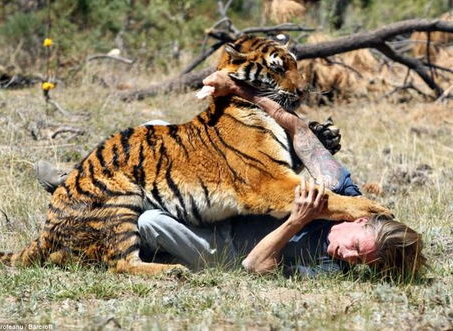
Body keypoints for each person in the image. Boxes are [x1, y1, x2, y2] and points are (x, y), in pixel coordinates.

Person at [34, 72, 426, 278]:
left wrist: (298, 220)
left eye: (361, 263)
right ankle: (80, 183)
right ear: (363, 220)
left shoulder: (329, 268)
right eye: (359, 247)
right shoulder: (347, 193)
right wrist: (242, 91)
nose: (349, 256)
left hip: (223, 247)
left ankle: (103, 216)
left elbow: (255, 268)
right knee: (155, 127)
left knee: (151, 221)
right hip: (232, 198)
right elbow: (303, 135)